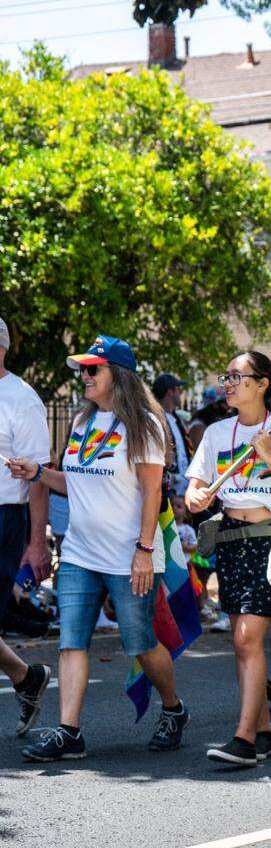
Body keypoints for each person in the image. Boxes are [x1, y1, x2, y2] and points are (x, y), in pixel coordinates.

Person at [11, 336, 189, 760]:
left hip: (130, 554)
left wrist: (145, 549)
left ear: (119, 375)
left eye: (94, 369)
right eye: (83, 369)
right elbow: (74, 483)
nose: (85, 376)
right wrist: (39, 472)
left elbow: (151, 493)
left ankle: (173, 708)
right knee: (71, 640)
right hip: (79, 553)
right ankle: (69, 731)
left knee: (140, 642)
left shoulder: (144, 423)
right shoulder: (81, 423)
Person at [185, 351, 271, 766]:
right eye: (226, 377)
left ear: (263, 383)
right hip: (230, 540)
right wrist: (195, 495)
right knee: (242, 643)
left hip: (270, 540)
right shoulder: (216, 433)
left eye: (237, 377)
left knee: (247, 638)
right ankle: (263, 731)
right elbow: (194, 489)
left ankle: (245, 739)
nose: (227, 383)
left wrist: (270, 456)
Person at [0, 317, 53, 736]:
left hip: (5, 516)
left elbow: (38, 476)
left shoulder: (22, 399)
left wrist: (37, 542)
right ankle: (25, 677)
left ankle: (25, 677)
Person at [152, 373, 190, 496]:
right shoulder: (154, 419)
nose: (181, 393)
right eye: (179, 389)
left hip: (183, 491)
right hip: (168, 492)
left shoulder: (176, 419)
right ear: (170, 391)